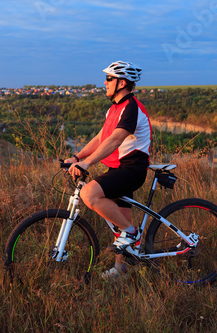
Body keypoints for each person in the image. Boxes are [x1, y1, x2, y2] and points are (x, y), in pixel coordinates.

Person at [65, 60, 152, 278]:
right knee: (119, 221)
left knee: (89, 194)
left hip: (131, 170)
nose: (104, 83)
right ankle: (122, 269)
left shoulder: (131, 107)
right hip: (118, 169)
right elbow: (101, 138)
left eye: (109, 79)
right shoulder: (114, 108)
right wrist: (77, 157)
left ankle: (132, 233)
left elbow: (115, 140)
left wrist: (87, 164)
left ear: (122, 83)